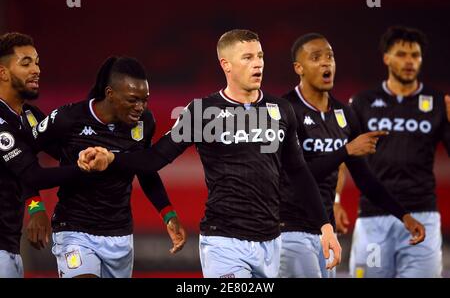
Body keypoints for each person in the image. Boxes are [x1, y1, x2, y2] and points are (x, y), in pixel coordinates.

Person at [78, 29, 341, 278]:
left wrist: (325, 226)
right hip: (223, 241)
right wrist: (112, 158)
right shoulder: (203, 112)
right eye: (248, 57)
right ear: (226, 64)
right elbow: (154, 159)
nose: (258, 64)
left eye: (260, 56)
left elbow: (298, 172)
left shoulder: (281, 109)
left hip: (271, 242)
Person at [278, 33, 426, 278]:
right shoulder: (285, 110)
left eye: (330, 56)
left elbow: (365, 178)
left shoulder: (345, 115)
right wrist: (345, 150)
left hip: (326, 232)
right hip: (289, 229)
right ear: (299, 68)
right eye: (316, 58)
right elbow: (294, 176)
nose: (327, 63)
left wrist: (404, 216)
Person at [32, 56, 187, 278]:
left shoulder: (145, 122)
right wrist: (35, 207)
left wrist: (168, 213)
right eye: (133, 100)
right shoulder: (68, 118)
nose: (140, 107)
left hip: (119, 234)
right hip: (74, 229)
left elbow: (144, 167)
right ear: (110, 93)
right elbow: (24, 159)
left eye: (145, 100)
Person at [339, 26, 450, 278]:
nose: (409, 61)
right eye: (401, 54)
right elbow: (343, 156)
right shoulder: (363, 102)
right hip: (373, 217)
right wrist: (335, 201)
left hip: (423, 215)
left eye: (415, 55)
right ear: (386, 58)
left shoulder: (438, 102)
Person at [0, 32, 86, 277]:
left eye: (37, 62)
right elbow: (33, 175)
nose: (36, 69)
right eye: (26, 63)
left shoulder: (28, 116)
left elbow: (64, 152)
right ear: (3, 73)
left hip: (9, 246)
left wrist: (100, 146)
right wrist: (85, 169)